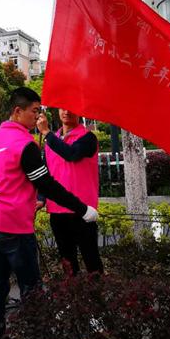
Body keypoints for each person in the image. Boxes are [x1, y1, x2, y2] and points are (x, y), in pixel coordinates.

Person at [0, 87, 99, 339]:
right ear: (17, 111)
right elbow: (47, 183)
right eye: (34, 111)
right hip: (14, 227)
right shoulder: (24, 144)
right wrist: (83, 208)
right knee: (31, 288)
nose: (38, 116)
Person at [37, 108, 103, 275]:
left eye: (71, 108)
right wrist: (41, 198)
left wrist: (46, 133)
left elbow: (71, 154)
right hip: (57, 210)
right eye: (62, 107)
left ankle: (98, 291)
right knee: (67, 261)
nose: (66, 111)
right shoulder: (52, 139)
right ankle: (72, 290)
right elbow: (46, 172)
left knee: (91, 259)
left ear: (80, 111)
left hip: (83, 210)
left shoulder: (88, 138)